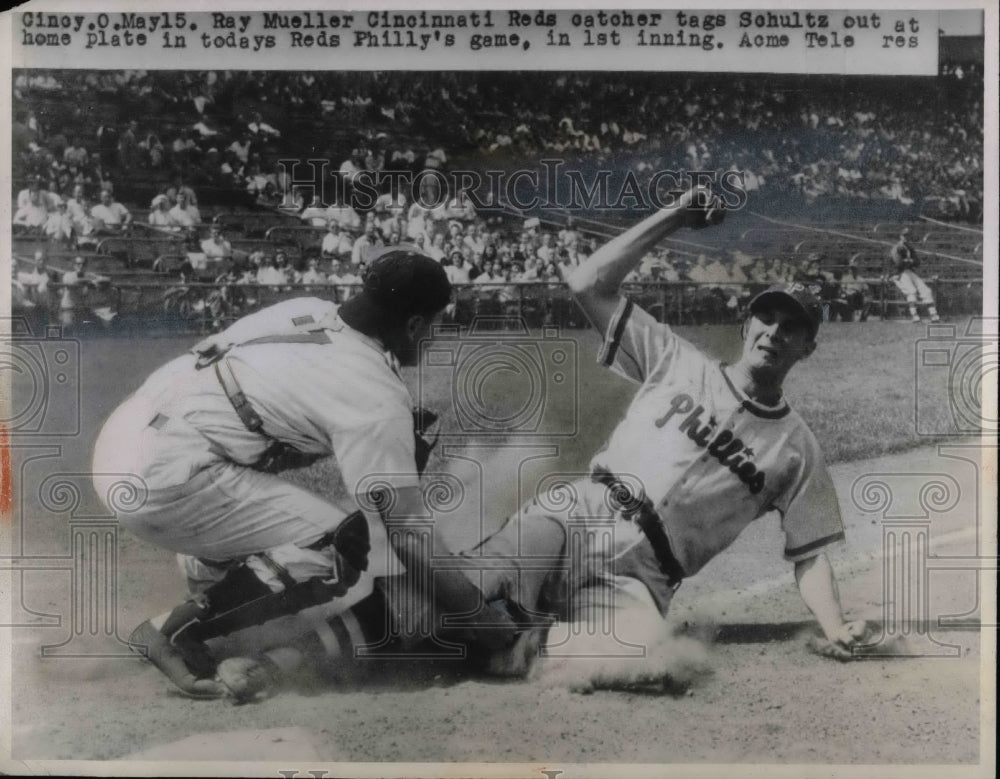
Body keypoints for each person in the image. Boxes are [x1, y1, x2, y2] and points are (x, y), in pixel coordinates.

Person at [215, 188, 868, 701]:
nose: (775, 332)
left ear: (810, 346)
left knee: (642, 662)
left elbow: (810, 554)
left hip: (641, 574)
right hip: (576, 512)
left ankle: (510, 637)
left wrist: (835, 625)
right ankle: (280, 664)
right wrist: (671, 215)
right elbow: (587, 282)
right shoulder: (678, 360)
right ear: (748, 320)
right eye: (768, 316)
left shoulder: (797, 447)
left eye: (794, 327)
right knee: (456, 587)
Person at [93, 249, 517, 698]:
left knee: (275, 514)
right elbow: (407, 534)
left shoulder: (305, 309)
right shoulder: (374, 396)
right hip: (168, 476)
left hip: (125, 438)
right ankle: (175, 631)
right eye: (433, 323)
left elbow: (269, 417)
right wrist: (479, 616)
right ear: (414, 324)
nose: (434, 334)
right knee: (341, 544)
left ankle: (214, 590)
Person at [887, 230, 940, 323]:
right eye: (904, 235)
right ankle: (915, 316)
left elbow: (917, 262)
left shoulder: (910, 248)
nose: (906, 237)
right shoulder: (896, 248)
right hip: (898, 273)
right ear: (900, 236)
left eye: (908, 235)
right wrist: (910, 261)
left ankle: (934, 315)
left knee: (926, 290)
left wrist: (909, 261)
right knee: (912, 291)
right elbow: (898, 263)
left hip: (908, 271)